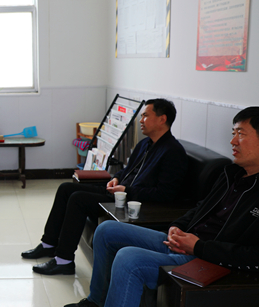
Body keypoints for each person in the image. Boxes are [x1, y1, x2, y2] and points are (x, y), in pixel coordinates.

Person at [65, 106, 259, 307]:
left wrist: (197, 246)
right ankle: (97, 302)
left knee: (129, 259)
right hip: (188, 243)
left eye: (240, 134)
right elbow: (201, 207)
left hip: (209, 259)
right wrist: (178, 226)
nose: (232, 141)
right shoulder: (232, 173)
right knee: (107, 230)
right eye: (233, 133)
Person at [23, 98, 188, 275]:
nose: (141, 120)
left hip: (133, 202)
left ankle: (64, 261)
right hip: (119, 194)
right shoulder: (145, 144)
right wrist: (116, 178)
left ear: (162, 119)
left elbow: (165, 194)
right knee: (65, 188)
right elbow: (127, 170)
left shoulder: (173, 152)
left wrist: (127, 190)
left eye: (145, 116)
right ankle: (48, 244)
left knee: (78, 199)